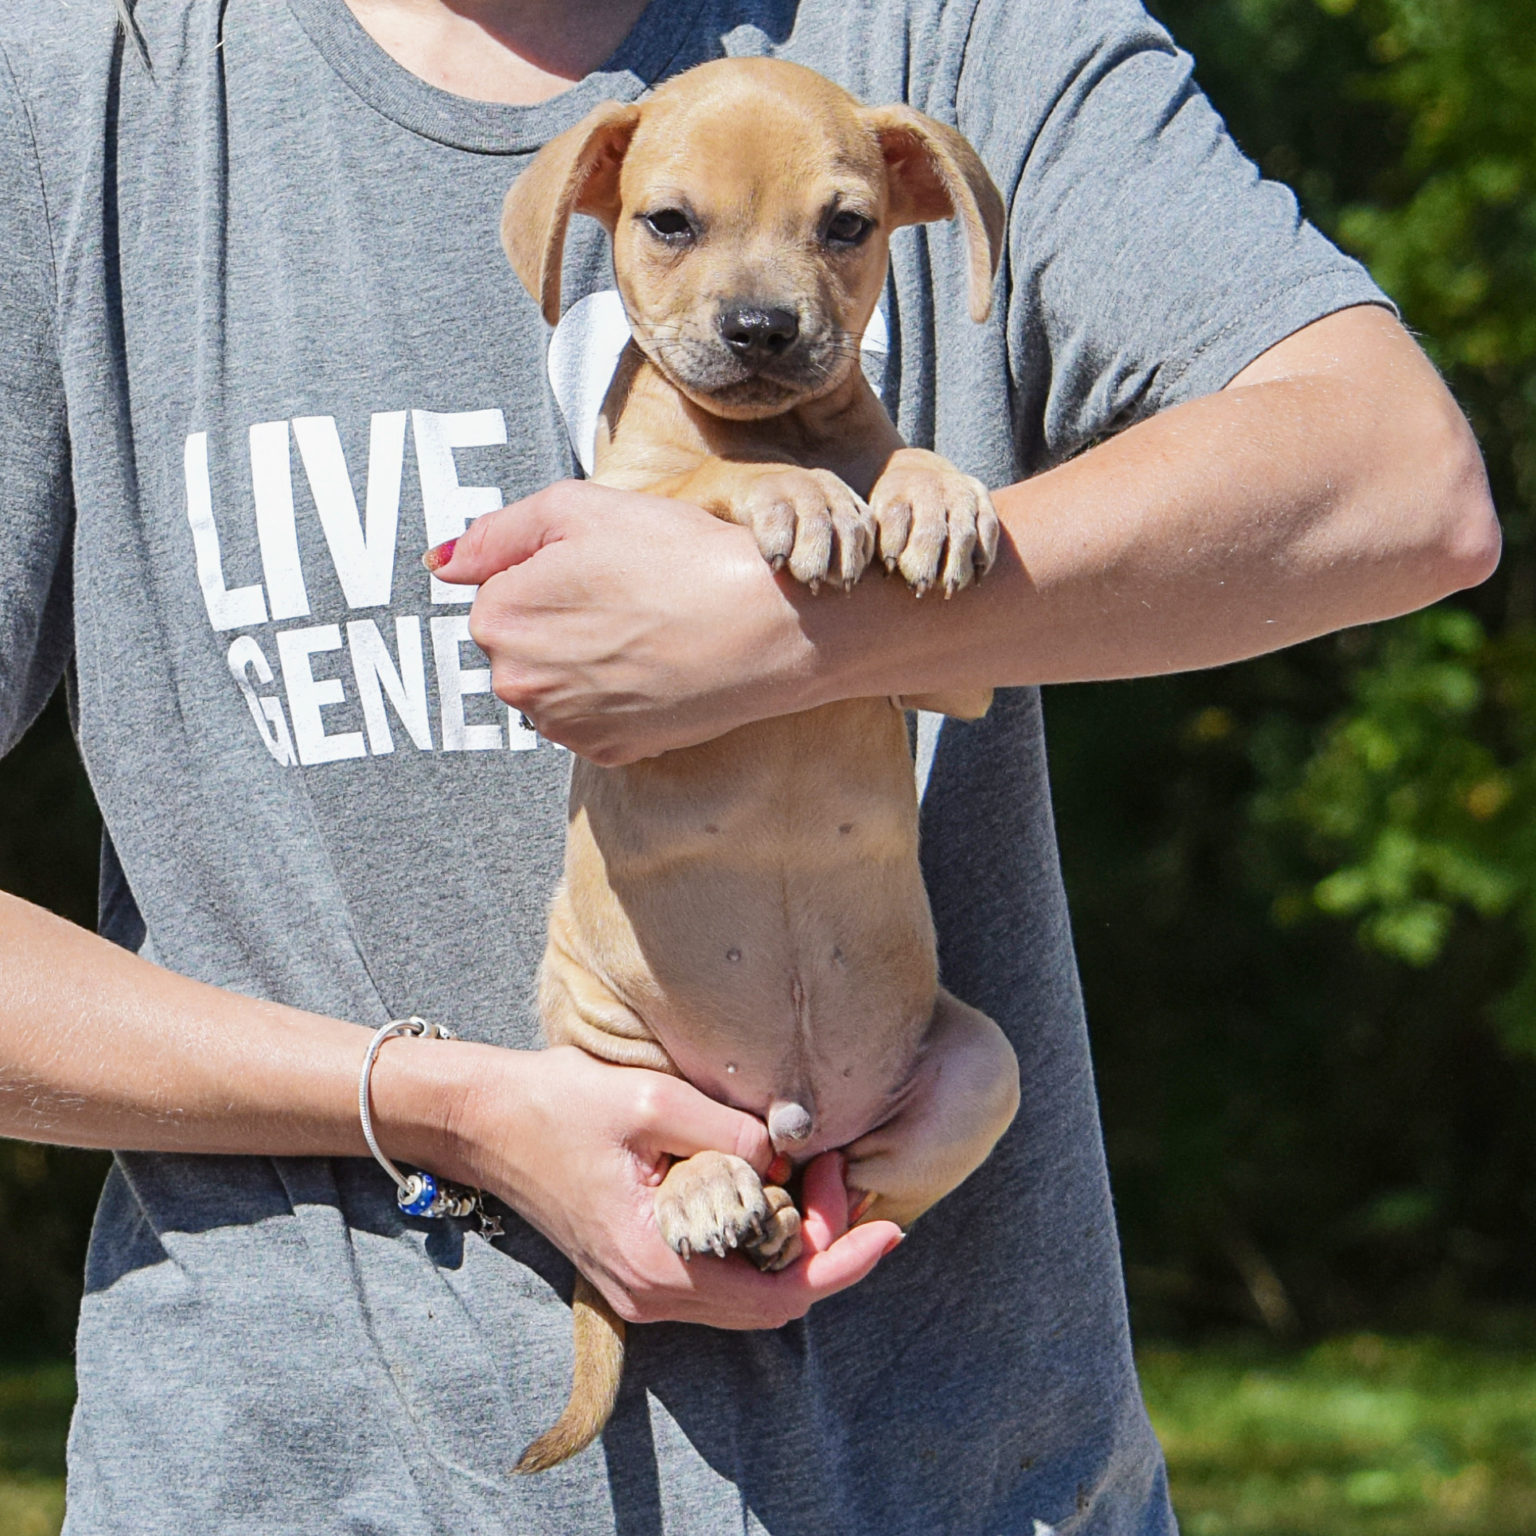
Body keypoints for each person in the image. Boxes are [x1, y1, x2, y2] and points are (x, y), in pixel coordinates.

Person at [0, 0, 1497, 1529]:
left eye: (841, 232)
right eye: (673, 227)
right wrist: (444, 1106)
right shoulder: (82, 90)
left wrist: (800, 627)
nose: (767, 303)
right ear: (592, 214)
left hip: (965, 1476)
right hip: (292, 1482)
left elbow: (1406, 481)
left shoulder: (969, 35)